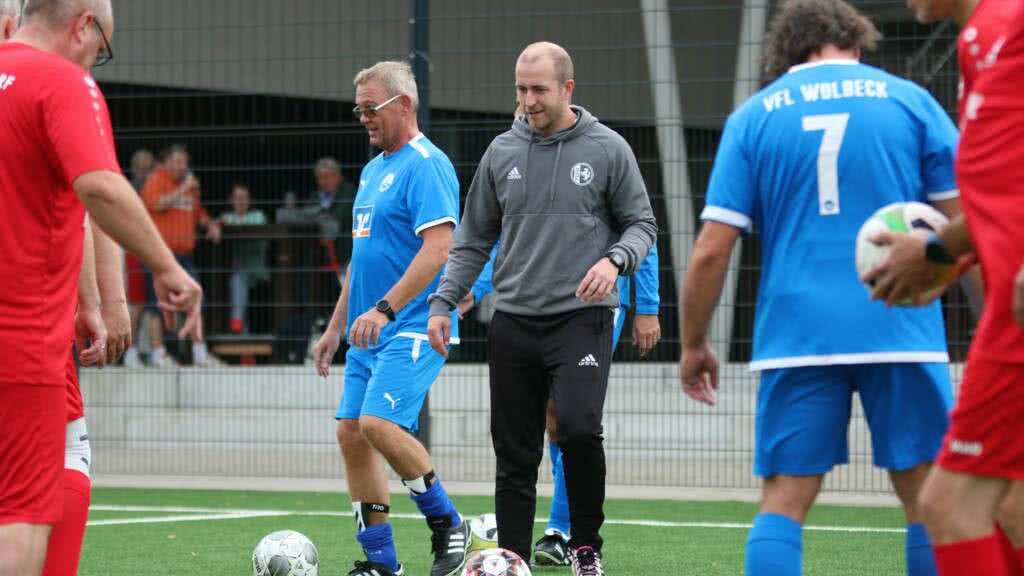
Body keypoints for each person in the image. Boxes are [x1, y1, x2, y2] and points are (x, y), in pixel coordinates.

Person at [677, 2, 966, 575]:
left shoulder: (754, 116)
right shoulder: (910, 101)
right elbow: (969, 223)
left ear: (785, 51)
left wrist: (693, 343)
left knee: (784, 498)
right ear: (856, 44)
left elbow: (711, 250)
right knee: (925, 495)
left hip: (798, 334)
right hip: (901, 324)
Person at [427, 41, 657, 576]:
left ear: (567, 88)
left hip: (582, 317)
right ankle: (511, 558)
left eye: (539, 90)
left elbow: (642, 224)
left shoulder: (608, 148)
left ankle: (585, 547)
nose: (528, 100)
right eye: (521, 89)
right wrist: (443, 301)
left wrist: (616, 261)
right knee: (514, 451)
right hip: (513, 319)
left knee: (577, 428)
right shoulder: (501, 152)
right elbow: (473, 238)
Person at [0, 1, 202, 574]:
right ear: (84, 23)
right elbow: (98, 190)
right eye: (102, 49)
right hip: (19, 339)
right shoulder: (60, 82)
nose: (94, 61)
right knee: (22, 513)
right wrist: (167, 268)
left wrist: (93, 300)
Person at [866, 1, 1024, 573]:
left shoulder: (1010, 27)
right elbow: (997, 196)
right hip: (1009, 312)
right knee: (1009, 509)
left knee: (950, 503)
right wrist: (937, 253)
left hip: (1015, 322)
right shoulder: (978, 44)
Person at [310, 61, 469, 576]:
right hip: (366, 332)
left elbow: (438, 249)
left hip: (414, 325)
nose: (363, 118)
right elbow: (362, 261)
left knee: (377, 423)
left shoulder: (427, 164)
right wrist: (336, 327)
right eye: (358, 109)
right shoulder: (373, 170)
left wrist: (385, 309)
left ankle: (449, 523)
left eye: (370, 108)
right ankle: (383, 563)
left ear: (404, 104)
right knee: (352, 434)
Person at [460, 240, 660, 566]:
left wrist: (648, 306)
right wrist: (477, 287)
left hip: (595, 304)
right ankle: (555, 529)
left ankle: (561, 532)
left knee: (573, 416)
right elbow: (506, 234)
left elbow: (642, 233)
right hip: (536, 304)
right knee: (550, 414)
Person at [142, 144, 220, 366]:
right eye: (177, 162)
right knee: (157, 303)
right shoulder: (156, 179)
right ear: (166, 163)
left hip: (185, 255)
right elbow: (154, 204)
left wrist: (210, 224)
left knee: (194, 299)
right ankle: (158, 354)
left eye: (184, 162)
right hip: (160, 255)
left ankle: (200, 353)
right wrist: (183, 188)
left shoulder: (190, 186)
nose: (182, 166)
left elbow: (198, 212)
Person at [220, 182, 268, 333]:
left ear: (249, 200)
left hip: (257, 271)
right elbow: (220, 223)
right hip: (236, 270)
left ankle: (236, 320)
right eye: (237, 198)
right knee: (238, 279)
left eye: (244, 198)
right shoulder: (226, 217)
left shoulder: (258, 216)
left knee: (238, 279)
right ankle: (242, 333)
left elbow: (247, 226)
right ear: (231, 200)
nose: (240, 202)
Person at [123, 148, 156, 367]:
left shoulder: (147, 189)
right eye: (142, 168)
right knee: (137, 304)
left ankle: (145, 350)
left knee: (149, 305)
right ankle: (131, 352)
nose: (145, 172)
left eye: (148, 168)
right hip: (134, 250)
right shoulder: (132, 190)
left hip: (146, 249)